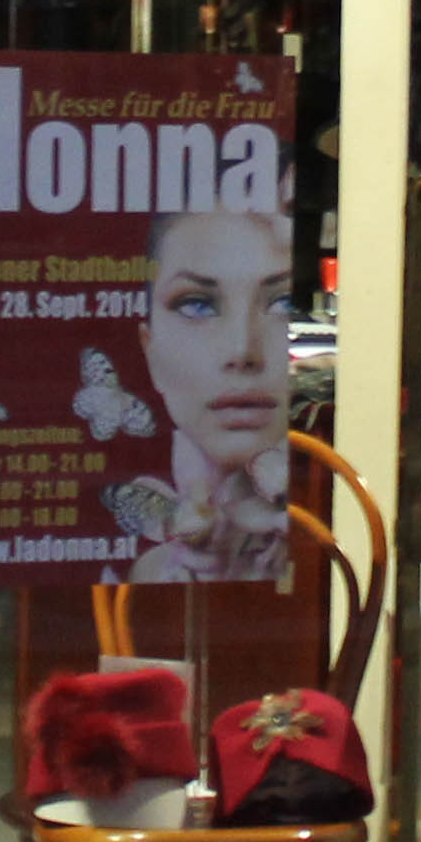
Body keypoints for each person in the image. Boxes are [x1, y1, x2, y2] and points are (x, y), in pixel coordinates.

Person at [108, 201, 301, 584]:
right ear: (150, 349)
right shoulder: (142, 580)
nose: (241, 352)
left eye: (283, 303)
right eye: (196, 304)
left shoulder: (329, 550)